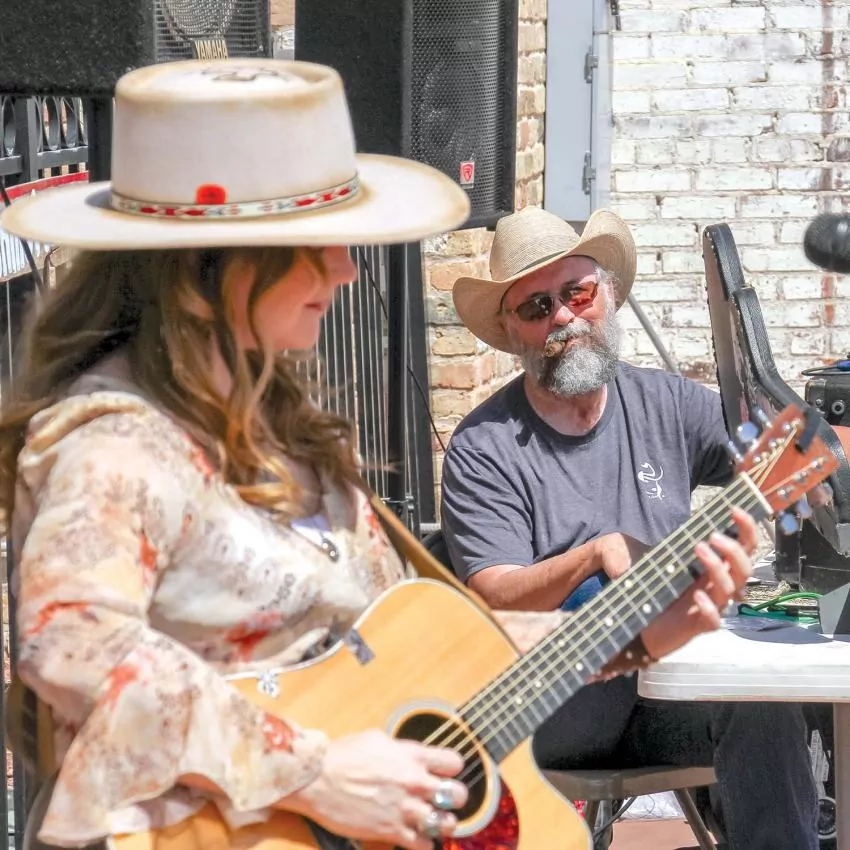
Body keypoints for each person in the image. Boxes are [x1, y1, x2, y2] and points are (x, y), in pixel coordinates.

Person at [0, 60, 756, 850]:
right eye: (317, 244)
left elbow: (423, 656)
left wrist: (633, 636)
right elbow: (73, 645)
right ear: (210, 267)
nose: (346, 268)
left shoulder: (281, 436)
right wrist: (314, 773)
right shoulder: (115, 442)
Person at [441, 205, 819, 849]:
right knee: (598, 598)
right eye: (536, 307)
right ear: (510, 329)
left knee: (761, 697)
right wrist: (596, 554)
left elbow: (789, 458)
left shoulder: (665, 401)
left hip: (669, 695)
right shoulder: (485, 445)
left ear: (608, 295)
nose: (563, 317)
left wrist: (822, 447)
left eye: (577, 293)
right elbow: (493, 595)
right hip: (558, 712)